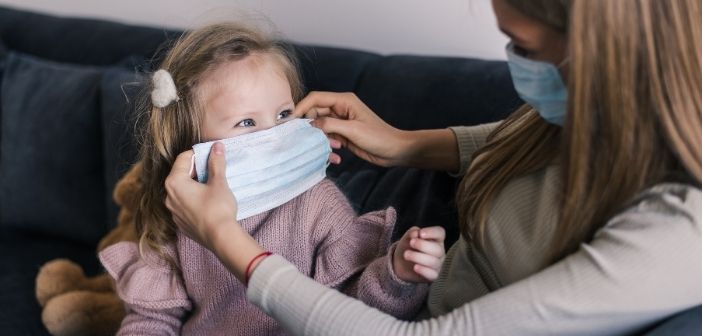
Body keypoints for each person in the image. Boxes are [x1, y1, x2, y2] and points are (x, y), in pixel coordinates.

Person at [165, 0, 702, 335]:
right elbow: (520, 140)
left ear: (606, 54)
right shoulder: (593, 116)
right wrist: (403, 144)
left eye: (522, 44)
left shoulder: (680, 231)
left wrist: (224, 238)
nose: (510, 57)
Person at [98, 22, 446, 335]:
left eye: (283, 115)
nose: (274, 136)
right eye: (246, 123)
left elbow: (356, 310)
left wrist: (398, 274)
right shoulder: (184, 211)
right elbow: (152, 320)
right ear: (190, 139)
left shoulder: (318, 203)